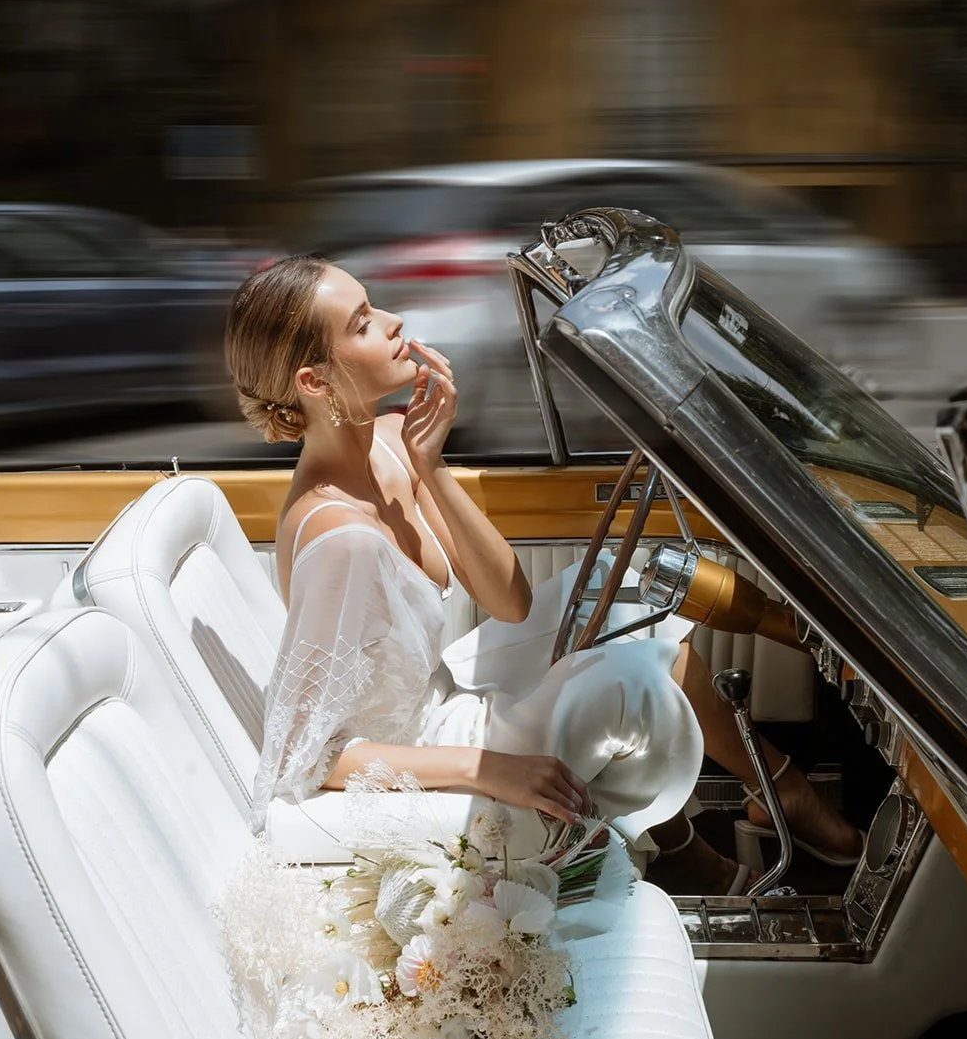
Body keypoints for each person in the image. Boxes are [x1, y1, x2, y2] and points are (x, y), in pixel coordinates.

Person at [227, 254, 863, 895]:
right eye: (363, 323)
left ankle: (737, 809)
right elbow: (304, 758)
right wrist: (485, 770)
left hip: (444, 687)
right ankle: (743, 814)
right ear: (314, 382)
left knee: (627, 595)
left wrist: (433, 466)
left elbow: (510, 602)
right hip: (430, 744)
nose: (394, 322)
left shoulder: (393, 439)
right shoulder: (341, 542)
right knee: (635, 679)